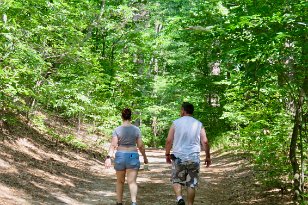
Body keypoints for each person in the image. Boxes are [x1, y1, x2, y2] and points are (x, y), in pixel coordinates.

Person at [165, 102, 211, 205]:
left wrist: (167, 154)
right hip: (193, 157)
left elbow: (169, 140)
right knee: (191, 184)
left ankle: (180, 198)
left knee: (176, 180)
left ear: (183, 110)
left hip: (178, 157)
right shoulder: (198, 124)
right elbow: (205, 142)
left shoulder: (176, 123)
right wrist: (208, 157)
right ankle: (190, 204)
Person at [105, 108, 148, 205]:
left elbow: (113, 145)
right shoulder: (136, 129)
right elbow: (140, 145)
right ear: (131, 117)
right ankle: (133, 202)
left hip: (120, 156)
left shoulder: (117, 129)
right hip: (132, 155)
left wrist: (108, 157)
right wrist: (145, 157)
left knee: (120, 181)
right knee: (132, 182)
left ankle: (119, 203)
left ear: (122, 117)